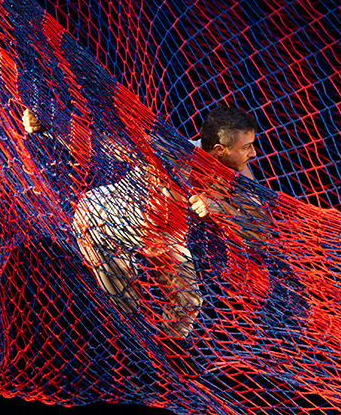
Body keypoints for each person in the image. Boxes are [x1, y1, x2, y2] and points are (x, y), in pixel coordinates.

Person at [56, 104, 263, 338]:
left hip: (162, 233)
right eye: (246, 147)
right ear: (219, 150)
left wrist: (219, 208)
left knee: (188, 300)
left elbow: (259, 225)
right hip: (102, 219)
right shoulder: (174, 153)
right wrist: (50, 127)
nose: (253, 153)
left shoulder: (238, 170)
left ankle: (169, 351)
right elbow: (106, 146)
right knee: (126, 309)